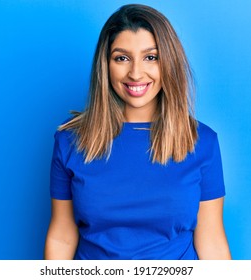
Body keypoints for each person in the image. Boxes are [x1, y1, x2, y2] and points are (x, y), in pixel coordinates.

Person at [44, 4, 231, 260]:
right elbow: (61, 235)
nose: (135, 73)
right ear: (106, 65)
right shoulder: (70, 141)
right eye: (121, 58)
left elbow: (212, 240)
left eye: (150, 57)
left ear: (169, 62)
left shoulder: (201, 142)